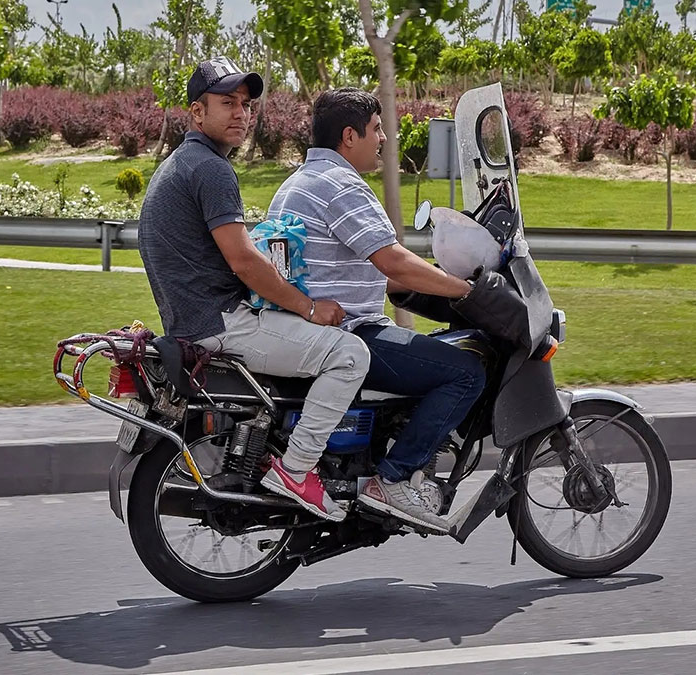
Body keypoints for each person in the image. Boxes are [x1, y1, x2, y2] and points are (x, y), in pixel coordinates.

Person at [138, 58, 370, 523]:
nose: (241, 113)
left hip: (194, 321)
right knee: (350, 355)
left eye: (246, 104)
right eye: (227, 103)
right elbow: (243, 261)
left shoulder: (179, 164)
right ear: (196, 113)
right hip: (223, 323)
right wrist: (308, 307)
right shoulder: (211, 170)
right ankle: (298, 469)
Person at [267, 88, 487, 533]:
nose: (385, 137)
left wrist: (432, 290)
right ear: (350, 136)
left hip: (309, 330)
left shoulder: (300, 181)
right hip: (350, 334)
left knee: (430, 355)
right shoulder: (340, 185)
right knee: (467, 371)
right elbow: (393, 260)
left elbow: (375, 272)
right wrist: (468, 291)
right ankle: (395, 479)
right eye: (377, 128)